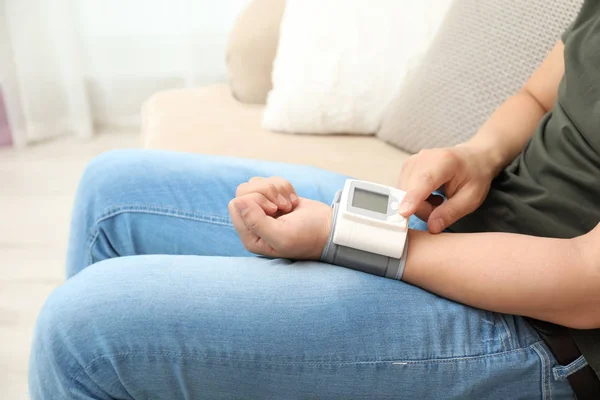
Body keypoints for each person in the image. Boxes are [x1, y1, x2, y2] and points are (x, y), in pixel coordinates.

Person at [29, 2, 600, 399]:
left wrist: (342, 239)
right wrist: (479, 154)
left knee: (82, 334)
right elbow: (536, 94)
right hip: (466, 227)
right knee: (114, 195)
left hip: (545, 327)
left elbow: (584, 284)